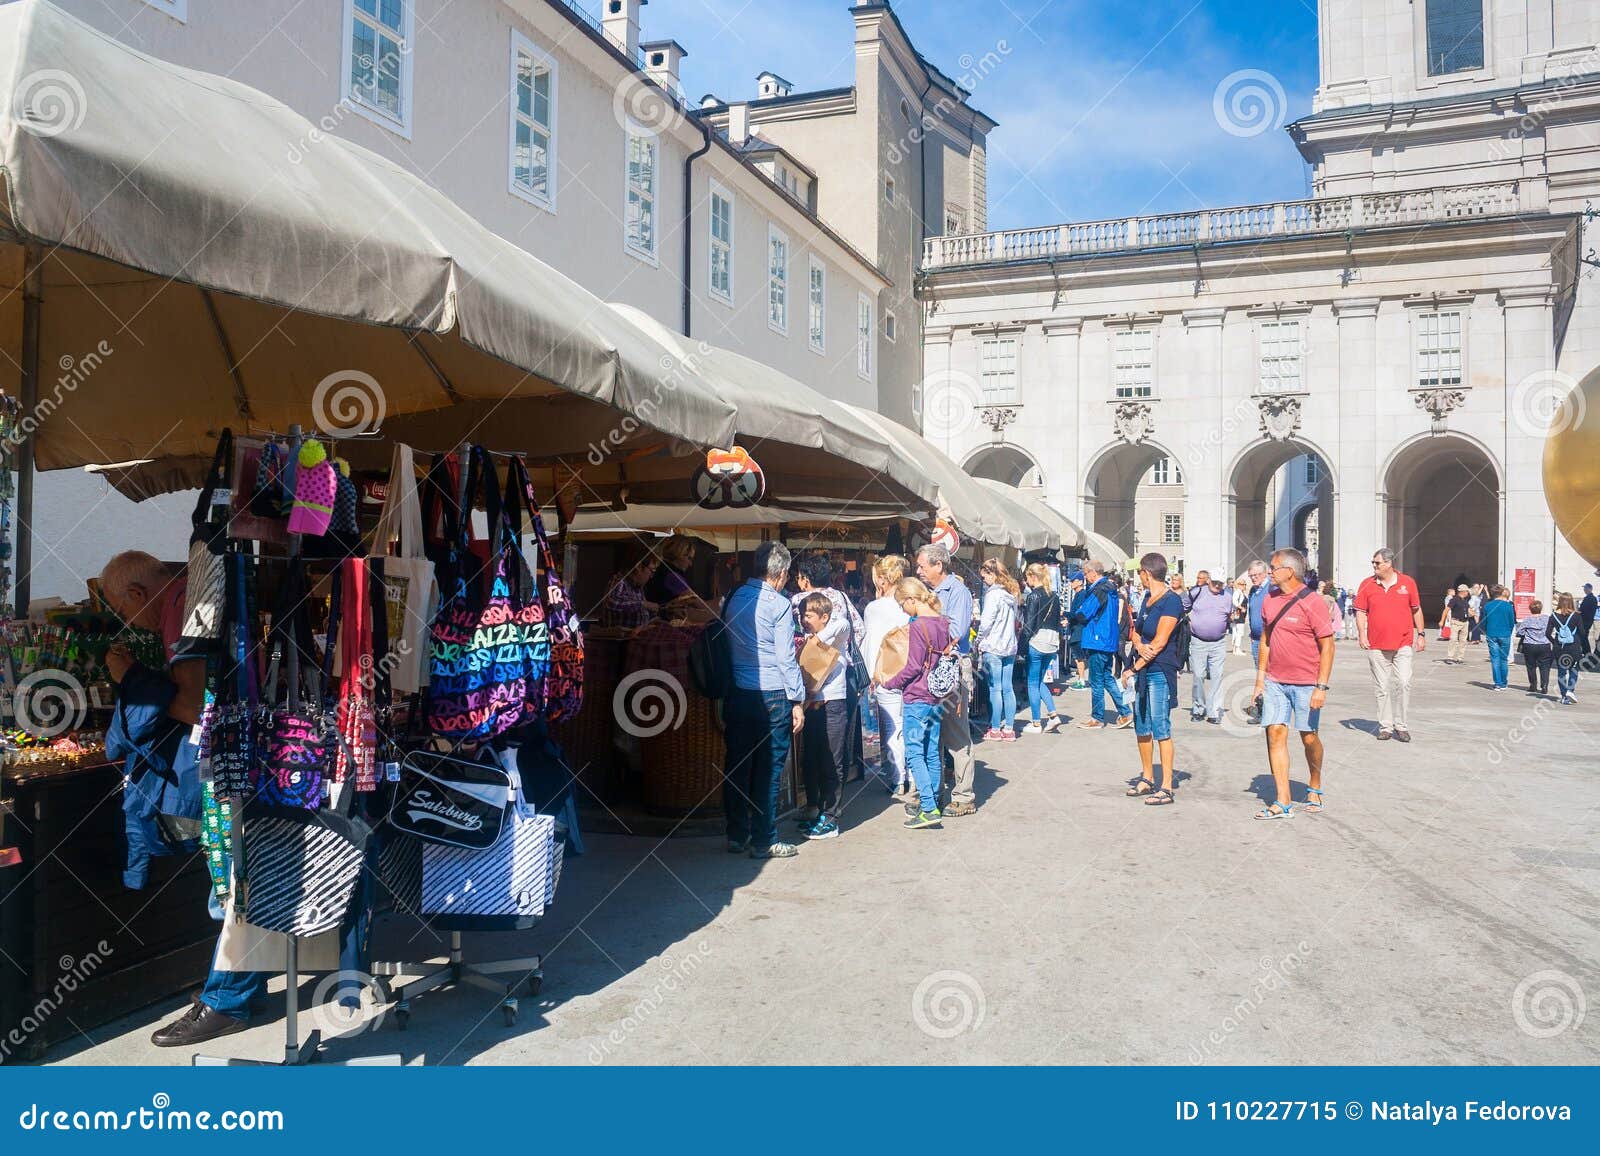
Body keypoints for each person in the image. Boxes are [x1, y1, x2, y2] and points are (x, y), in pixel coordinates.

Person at [100, 553, 239, 1047]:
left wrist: (130, 674)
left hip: (226, 760)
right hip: (234, 755)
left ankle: (228, 1001)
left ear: (138, 596)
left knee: (230, 884)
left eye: (122, 610)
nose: (127, 621)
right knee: (231, 881)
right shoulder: (190, 595)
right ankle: (233, 991)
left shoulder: (181, 606)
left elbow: (194, 704)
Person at [723, 541, 806, 860]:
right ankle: (764, 838)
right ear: (782, 573)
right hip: (772, 693)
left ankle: (737, 833)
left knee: (737, 765)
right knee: (769, 769)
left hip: (739, 691)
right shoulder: (780, 604)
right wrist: (797, 699)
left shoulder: (732, 597)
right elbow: (786, 659)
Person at [1252, 549, 1336, 821]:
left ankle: (1315, 783)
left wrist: (1321, 687)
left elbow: (1327, 645)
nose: (1270, 572)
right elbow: (1265, 639)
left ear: (1289, 571)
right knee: (1275, 733)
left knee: (1308, 736)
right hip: (1275, 681)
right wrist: (1260, 680)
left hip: (1306, 682)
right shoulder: (1269, 600)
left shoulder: (1313, 602)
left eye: (1273, 568)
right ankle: (1283, 800)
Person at [880, 578, 951, 830]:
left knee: (913, 752)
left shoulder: (919, 626)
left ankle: (929, 808)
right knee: (932, 751)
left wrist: (889, 682)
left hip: (917, 695)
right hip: (936, 695)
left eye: (902, 604)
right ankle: (931, 802)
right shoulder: (943, 623)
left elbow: (912, 667)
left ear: (912, 599)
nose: (903, 610)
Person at [792, 552, 866, 792]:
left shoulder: (799, 600)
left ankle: (816, 803)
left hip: (810, 679)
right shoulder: (842, 597)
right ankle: (833, 801)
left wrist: (817, 646)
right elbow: (859, 630)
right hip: (843, 676)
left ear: (804, 579)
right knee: (837, 744)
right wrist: (838, 652)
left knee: (813, 744)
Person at [914, 545, 977, 816]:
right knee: (932, 735)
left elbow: (957, 630)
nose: (918, 571)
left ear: (939, 565)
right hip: (930, 665)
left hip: (952, 666)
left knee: (956, 734)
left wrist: (923, 630)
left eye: (922, 566)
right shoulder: (928, 593)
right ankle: (933, 793)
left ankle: (964, 797)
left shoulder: (958, 592)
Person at [1122, 553, 1183, 806]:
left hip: (1160, 670)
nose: (1140, 578)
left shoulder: (1172, 601)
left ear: (1147, 573)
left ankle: (1166, 786)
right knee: (1142, 725)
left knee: (1161, 726)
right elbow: (1137, 632)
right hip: (1145, 668)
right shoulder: (1147, 598)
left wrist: (1133, 668)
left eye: (1140, 574)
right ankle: (1147, 777)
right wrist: (1138, 642)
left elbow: (1159, 643)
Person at [1355, 547, 1426, 742]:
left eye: (1377, 563)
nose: (1374, 566)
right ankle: (1385, 726)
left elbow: (1416, 609)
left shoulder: (1407, 583)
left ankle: (1401, 725)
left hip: (1403, 643)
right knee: (1382, 687)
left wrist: (1421, 634)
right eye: (1373, 563)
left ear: (1388, 563)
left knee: (1404, 682)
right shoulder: (1367, 584)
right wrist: (1361, 634)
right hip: (1376, 645)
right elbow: (1360, 611)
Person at [797, 592, 849, 841]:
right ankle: (814, 808)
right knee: (812, 759)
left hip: (833, 704)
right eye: (803, 615)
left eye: (809, 615)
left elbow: (843, 623)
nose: (804, 620)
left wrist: (817, 637)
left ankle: (831, 818)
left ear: (824, 617)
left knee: (832, 761)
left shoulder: (837, 632)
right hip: (812, 706)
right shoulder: (807, 638)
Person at [862, 554, 911, 795]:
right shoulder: (911, 603)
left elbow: (871, 644)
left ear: (882, 580)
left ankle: (898, 778)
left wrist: (870, 675)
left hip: (886, 674)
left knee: (892, 728)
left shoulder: (874, 608)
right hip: (911, 673)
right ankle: (913, 775)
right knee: (910, 725)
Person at [1070, 559, 1132, 730]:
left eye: (1085, 573)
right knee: (1107, 678)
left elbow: (1084, 613)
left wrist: (1075, 613)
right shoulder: (1110, 588)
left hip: (1098, 639)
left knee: (1096, 680)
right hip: (1108, 638)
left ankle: (1097, 718)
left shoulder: (1099, 589)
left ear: (1093, 573)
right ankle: (1125, 711)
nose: (1084, 576)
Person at [976, 558, 1021, 741]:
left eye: (985, 576)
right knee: (1007, 688)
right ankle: (1009, 728)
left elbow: (986, 623)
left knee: (995, 689)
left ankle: (995, 729)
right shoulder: (1011, 594)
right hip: (1009, 646)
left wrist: (978, 640)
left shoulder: (993, 595)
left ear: (992, 574)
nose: (983, 580)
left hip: (993, 646)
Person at [1020, 563, 1063, 734]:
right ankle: (1053, 715)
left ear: (1032, 576)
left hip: (1037, 642)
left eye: (1027, 577)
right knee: (1039, 681)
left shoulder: (1033, 596)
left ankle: (1036, 722)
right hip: (1052, 642)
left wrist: (1021, 646)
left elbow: (1029, 624)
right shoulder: (1054, 596)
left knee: (1032, 682)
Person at [1186, 570, 1232, 724]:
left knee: (1217, 676)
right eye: (1215, 582)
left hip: (1218, 642)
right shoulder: (1197, 592)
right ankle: (1199, 708)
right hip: (1198, 641)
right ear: (1209, 581)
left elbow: (1228, 616)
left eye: (1220, 583)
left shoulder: (1227, 597)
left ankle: (1214, 712)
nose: (1217, 586)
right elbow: (1183, 607)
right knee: (1198, 675)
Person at [600, 550, 660, 629]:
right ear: (638, 567)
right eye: (652, 571)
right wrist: (644, 604)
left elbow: (643, 616)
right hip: (622, 639)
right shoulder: (620, 581)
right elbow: (612, 602)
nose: (651, 576)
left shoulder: (638, 588)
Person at [1515, 598, 1555, 696]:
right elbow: (1552, 629)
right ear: (1540, 608)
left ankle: (1533, 685)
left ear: (1530, 609)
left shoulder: (1527, 619)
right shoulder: (1547, 618)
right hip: (1544, 644)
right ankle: (1544, 685)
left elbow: (1519, 632)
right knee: (1545, 667)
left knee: (1531, 666)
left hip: (1530, 645)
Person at [1480, 584, 1516, 691]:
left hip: (1491, 634)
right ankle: (1504, 683)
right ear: (1502, 593)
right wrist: (1508, 632)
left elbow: (1483, 622)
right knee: (1504, 659)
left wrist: (1486, 631)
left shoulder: (1487, 606)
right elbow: (1512, 622)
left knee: (1495, 659)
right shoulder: (1508, 606)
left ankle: (1497, 683)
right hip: (1505, 634)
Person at [1550, 592, 1584, 704]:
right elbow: (1582, 633)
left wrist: (1555, 642)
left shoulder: (1553, 616)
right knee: (1573, 670)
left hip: (1560, 648)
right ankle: (1570, 690)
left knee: (1562, 672)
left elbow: (1547, 633)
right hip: (1574, 647)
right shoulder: (1576, 615)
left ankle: (1564, 696)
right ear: (1571, 602)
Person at [1444, 584, 1473, 664]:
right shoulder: (1454, 600)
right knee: (1453, 639)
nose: (1468, 593)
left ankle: (1460, 658)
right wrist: (1441, 621)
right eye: (1467, 591)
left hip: (1465, 622)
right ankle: (1450, 657)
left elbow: (1468, 610)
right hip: (1456, 622)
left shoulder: (1465, 600)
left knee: (1463, 641)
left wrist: (1471, 613)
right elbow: (1446, 610)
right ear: (1463, 591)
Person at [1229, 578, 1251, 655]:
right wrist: (1241, 608)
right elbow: (1234, 601)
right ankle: (1237, 648)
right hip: (1239, 615)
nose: (1244, 586)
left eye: (1245, 584)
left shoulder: (1241, 593)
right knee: (1239, 632)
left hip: (1240, 615)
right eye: (1242, 584)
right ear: (1238, 585)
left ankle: (1235, 648)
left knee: (1236, 631)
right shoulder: (1237, 592)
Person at [1581, 582, 1598, 651]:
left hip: (1586, 621)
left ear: (1590, 589)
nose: (1584, 590)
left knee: (1583, 637)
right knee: (1584, 636)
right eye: (1584, 588)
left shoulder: (1590, 598)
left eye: (1586, 588)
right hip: (1587, 620)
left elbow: (1584, 610)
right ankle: (1586, 651)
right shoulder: (1590, 598)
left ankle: (1587, 651)